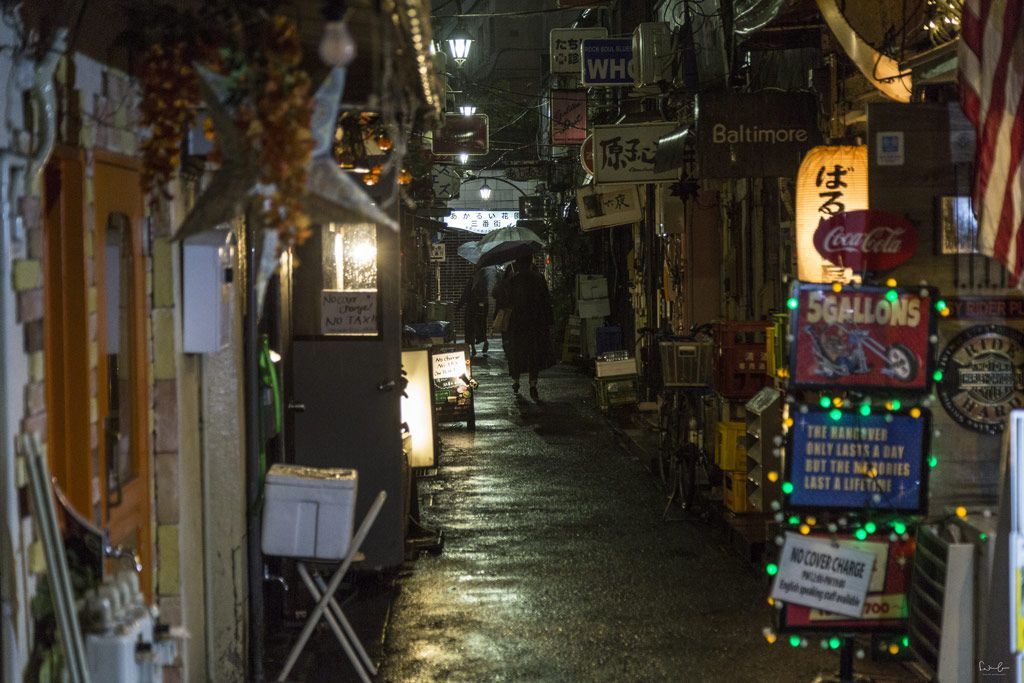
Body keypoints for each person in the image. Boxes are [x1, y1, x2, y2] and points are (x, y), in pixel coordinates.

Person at [493, 253, 553, 401]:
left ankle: (516, 381)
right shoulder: (538, 278)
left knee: (515, 352)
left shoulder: (512, 278)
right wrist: (549, 322)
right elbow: (546, 301)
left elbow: (499, 296)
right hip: (535, 322)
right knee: (534, 352)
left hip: (516, 323)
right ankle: (533, 384)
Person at [457, 266, 490, 357]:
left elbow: (465, 295)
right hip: (481, 309)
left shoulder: (472, 281)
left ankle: (473, 349)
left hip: (471, 309)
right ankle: (485, 341)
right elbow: (485, 298)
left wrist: (458, 307)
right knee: (481, 327)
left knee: (470, 328)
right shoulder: (484, 282)